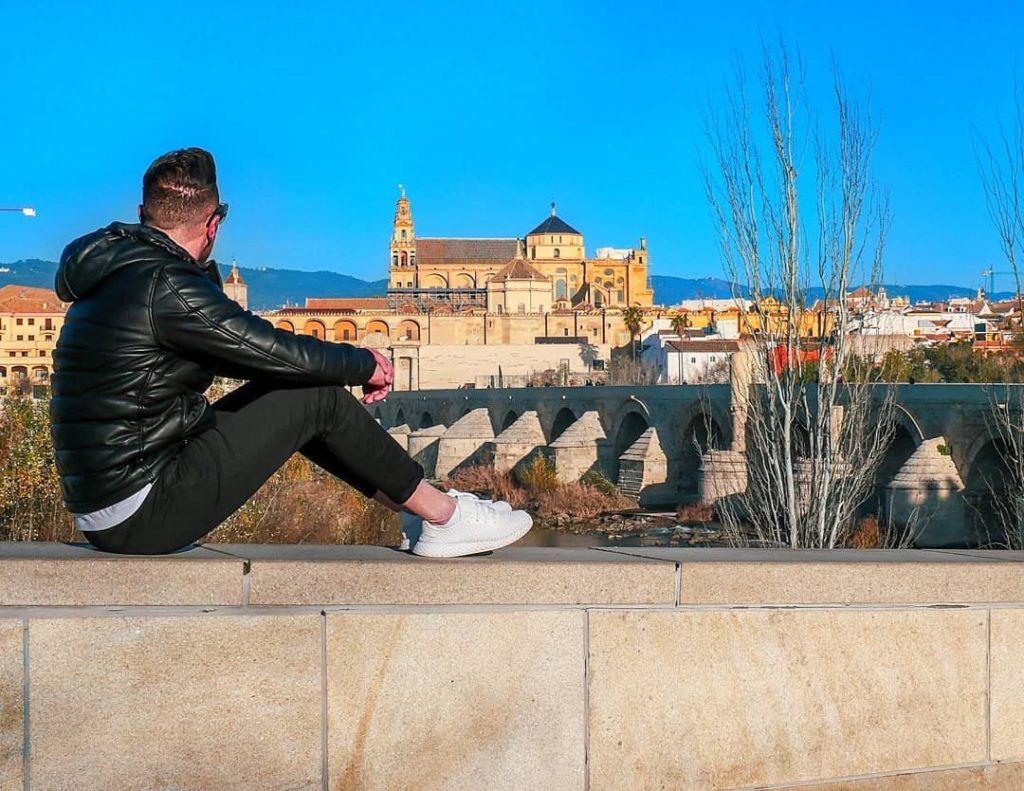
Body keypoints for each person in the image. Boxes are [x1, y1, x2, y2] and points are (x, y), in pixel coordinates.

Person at [49, 147, 532, 557]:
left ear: (143, 213)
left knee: (296, 389)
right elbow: (271, 349)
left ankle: (418, 514)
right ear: (214, 223)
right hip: (141, 507)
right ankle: (444, 516)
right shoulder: (166, 284)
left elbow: (250, 356)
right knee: (313, 395)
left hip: (109, 500)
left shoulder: (117, 274)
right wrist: (364, 363)